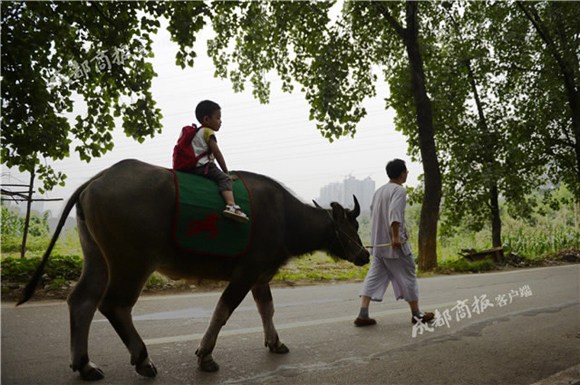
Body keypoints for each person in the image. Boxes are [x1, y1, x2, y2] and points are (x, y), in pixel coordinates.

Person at [354, 158, 433, 327]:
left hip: (379, 246)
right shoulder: (399, 191)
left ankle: (363, 313)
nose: (407, 174)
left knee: (373, 277)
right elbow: (394, 214)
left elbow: (375, 215)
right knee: (409, 274)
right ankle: (416, 314)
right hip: (394, 246)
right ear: (402, 173)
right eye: (406, 171)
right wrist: (396, 237)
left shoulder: (379, 191)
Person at [176, 100, 249, 223]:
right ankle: (231, 205)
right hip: (205, 166)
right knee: (224, 179)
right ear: (206, 119)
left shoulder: (195, 133)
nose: (220, 121)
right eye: (218, 117)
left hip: (192, 167)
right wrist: (226, 173)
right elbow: (217, 153)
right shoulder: (208, 132)